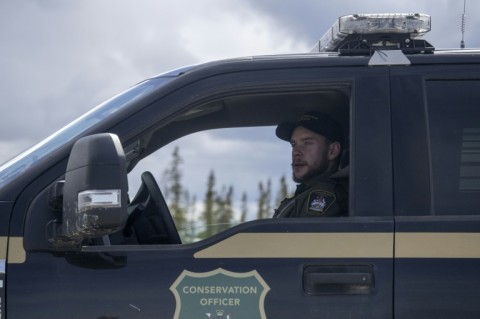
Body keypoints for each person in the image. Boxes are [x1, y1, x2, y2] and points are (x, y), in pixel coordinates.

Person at [273, 111, 348, 218]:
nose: (296, 152)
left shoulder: (323, 196)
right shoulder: (305, 193)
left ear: (332, 151)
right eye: (294, 144)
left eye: (307, 143)